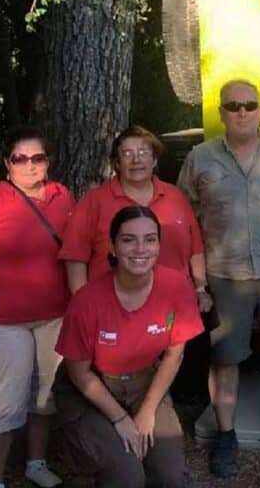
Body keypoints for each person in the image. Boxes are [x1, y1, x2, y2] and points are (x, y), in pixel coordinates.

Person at [176, 79, 260, 478]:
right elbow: (186, 214)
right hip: (224, 274)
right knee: (225, 355)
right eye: (233, 106)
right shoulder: (200, 157)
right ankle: (227, 434)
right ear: (221, 113)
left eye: (249, 104)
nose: (242, 112)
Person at [54, 206, 204, 488]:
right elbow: (79, 374)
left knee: (168, 476)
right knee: (126, 475)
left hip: (145, 383)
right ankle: (86, 465)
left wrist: (147, 410)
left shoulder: (176, 286)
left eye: (150, 239)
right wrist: (120, 418)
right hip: (92, 388)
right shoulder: (87, 301)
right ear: (112, 246)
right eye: (128, 239)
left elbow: (174, 354)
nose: (140, 249)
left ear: (159, 244)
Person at [0, 127, 73, 488]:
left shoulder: (63, 197)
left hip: (55, 317)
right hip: (3, 322)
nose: (29, 166)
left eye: (37, 158)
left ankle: (35, 462)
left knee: (45, 396)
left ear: (48, 162)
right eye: (20, 159)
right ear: (6, 164)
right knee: (1, 405)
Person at [59, 125, 209, 305]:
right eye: (127, 154)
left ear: (154, 160)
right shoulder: (93, 202)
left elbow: (196, 249)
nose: (136, 160)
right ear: (117, 163)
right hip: (113, 307)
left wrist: (200, 289)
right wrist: (83, 302)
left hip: (174, 305)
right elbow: (75, 256)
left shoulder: (176, 197)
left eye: (143, 152)